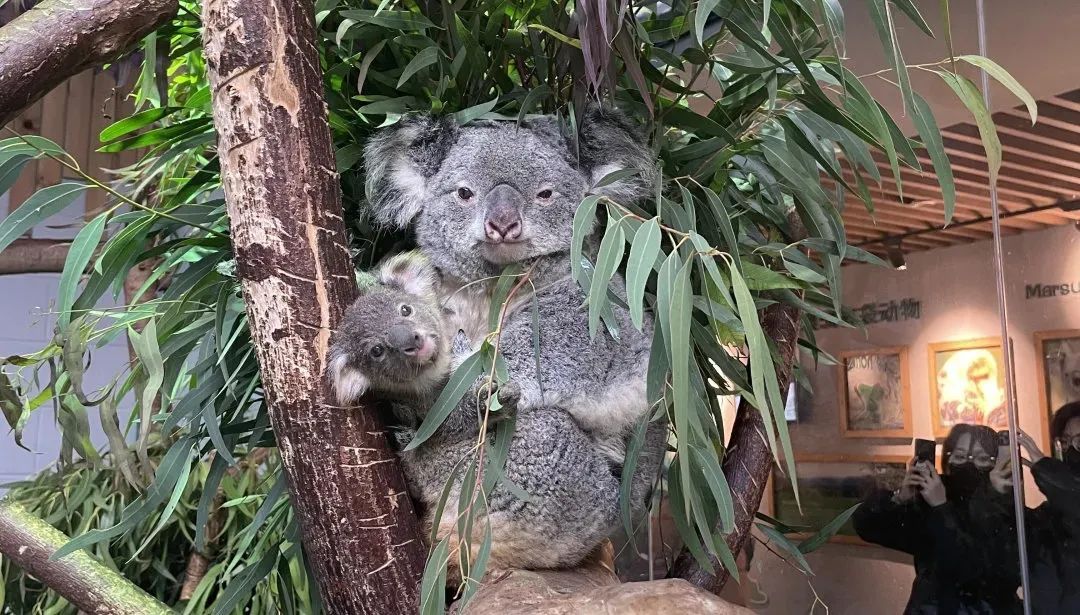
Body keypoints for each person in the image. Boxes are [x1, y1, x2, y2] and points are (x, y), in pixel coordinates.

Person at [853, 424, 1021, 614]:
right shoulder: (933, 497)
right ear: (948, 460)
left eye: (982, 458)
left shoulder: (1006, 509)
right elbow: (866, 526)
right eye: (959, 456)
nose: (969, 464)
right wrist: (901, 496)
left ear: (997, 463)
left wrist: (941, 507)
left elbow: (970, 566)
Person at [1015, 402, 1080, 614]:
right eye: (1065, 442)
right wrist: (998, 491)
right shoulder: (1048, 513)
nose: (1071, 450)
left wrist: (1044, 466)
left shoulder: (1066, 497)